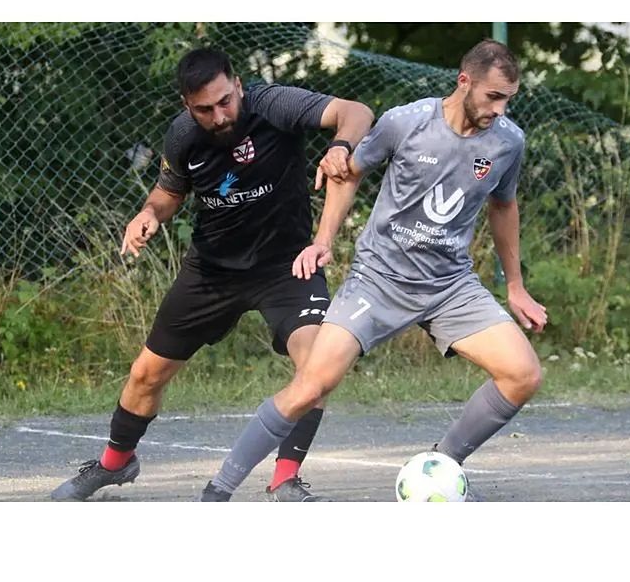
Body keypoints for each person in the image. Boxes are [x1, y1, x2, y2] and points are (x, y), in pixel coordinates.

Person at [203, 39, 547, 501]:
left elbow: (504, 207)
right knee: (312, 385)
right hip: (379, 279)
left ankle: (440, 466)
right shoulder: (405, 122)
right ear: (464, 82)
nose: (500, 109)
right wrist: (323, 241)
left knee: (523, 373)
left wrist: (517, 286)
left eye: (509, 99)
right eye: (493, 96)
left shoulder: (508, 142)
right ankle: (216, 492)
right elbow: (348, 174)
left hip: (450, 285)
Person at [50, 47, 374, 501]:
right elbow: (168, 192)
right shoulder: (183, 135)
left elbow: (356, 112)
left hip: (287, 265)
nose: (220, 115)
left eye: (225, 101)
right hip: (213, 270)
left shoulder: (274, 105)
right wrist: (148, 214)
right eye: (205, 108)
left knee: (317, 363)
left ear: (238, 85)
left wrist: (340, 145)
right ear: (188, 106)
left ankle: (284, 479)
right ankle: (115, 463)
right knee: (146, 374)